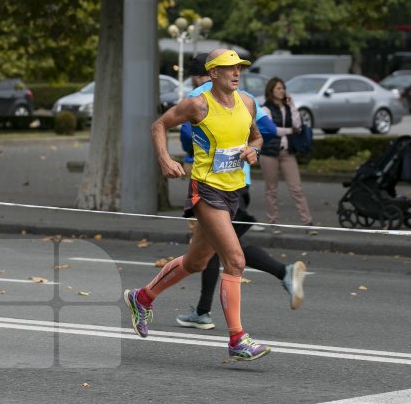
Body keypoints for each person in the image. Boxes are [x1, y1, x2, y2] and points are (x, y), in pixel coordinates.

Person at [124, 48, 273, 361]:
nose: (236, 74)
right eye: (228, 68)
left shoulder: (247, 102)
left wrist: (253, 150)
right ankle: (237, 339)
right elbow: (159, 126)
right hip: (205, 191)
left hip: (233, 191)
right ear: (213, 73)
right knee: (235, 260)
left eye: (239, 69)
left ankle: (142, 297)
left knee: (196, 263)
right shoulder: (198, 105)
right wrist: (165, 159)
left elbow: (258, 137)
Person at [175, 54, 307, 331]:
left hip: (211, 183)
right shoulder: (243, 96)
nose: (235, 74)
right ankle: (202, 311)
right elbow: (268, 129)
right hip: (240, 182)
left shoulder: (199, 97)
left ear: (201, 76)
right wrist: (247, 147)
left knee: (226, 253)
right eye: (230, 68)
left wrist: (204, 145)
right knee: (217, 251)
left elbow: (187, 138)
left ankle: (281, 273)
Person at [260, 77, 315, 231]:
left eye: (282, 88)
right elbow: (273, 130)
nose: (282, 91)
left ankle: (307, 222)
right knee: (271, 189)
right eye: (278, 88)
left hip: (287, 152)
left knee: (296, 188)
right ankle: (273, 222)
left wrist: (292, 105)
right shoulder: (265, 108)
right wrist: (291, 131)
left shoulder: (288, 107)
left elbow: (299, 125)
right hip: (269, 152)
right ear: (271, 91)